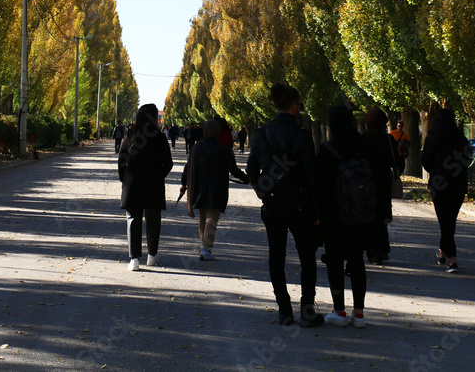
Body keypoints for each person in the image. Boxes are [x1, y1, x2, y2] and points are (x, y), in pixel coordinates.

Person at [247, 82, 323, 327]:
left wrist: (262, 191)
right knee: (307, 258)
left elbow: (251, 169)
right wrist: (317, 210)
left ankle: (284, 310)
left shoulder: (262, 134)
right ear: (293, 107)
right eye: (300, 104)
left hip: (273, 204)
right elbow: (312, 177)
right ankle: (307, 311)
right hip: (300, 205)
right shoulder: (301, 135)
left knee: (276, 256)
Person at [317, 105, 374, 328]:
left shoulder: (328, 150)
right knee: (357, 260)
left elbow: (320, 187)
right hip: (361, 214)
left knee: (335, 261)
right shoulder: (364, 146)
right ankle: (359, 314)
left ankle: (339, 311)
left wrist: (319, 216)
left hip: (334, 215)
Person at [179, 119, 250, 260]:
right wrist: (247, 179)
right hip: (216, 189)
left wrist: (184, 184)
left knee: (203, 217)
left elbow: (188, 168)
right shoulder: (223, 149)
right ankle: (205, 249)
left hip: (199, 189)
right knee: (212, 218)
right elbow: (234, 170)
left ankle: (204, 247)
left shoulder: (196, 147)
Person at [118, 103, 173, 271]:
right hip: (153, 184)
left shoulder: (131, 135)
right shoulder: (160, 137)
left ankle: (134, 259)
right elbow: (168, 163)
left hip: (133, 183)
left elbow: (122, 161)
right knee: (153, 219)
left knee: (133, 219)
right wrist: (158, 176)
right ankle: (152, 255)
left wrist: (124, 179)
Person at [420, 108, 471, 273]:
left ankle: (452, 260)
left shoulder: (433, 137)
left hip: (439, 183)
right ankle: (442, 252)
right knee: (450, 221)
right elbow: (466, 160)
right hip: (458, 184)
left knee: (445, 222)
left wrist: (436, 172)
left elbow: (425, 160)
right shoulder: (461, 138)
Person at [364, 108, 402, 264]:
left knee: (368, 216)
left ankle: (372, 251)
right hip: (383, 182)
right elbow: (396, 161)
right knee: (381, 216)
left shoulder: (363, 139)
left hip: (366, 182)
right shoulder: (389, 139)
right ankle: (382, 249)